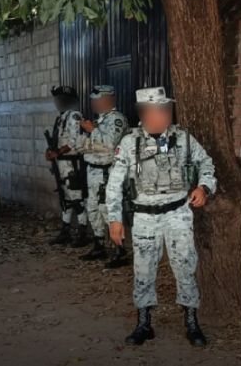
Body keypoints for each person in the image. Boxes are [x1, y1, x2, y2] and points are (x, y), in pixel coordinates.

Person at [106, 87, 215, 346]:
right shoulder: (129, 143)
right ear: (143, 113)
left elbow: (206, 163)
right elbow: (114, 183)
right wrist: (115, 219)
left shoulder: (184, 139)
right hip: (144, 216)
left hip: (178, 212)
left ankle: (191, 321)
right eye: (157, 110)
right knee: (143, 271)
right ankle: (144, 323)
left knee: (185, 267)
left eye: (165, 109)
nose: (162, 115)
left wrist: (204, 187)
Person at [78, 85, 130, 268]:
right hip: (92, 170)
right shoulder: (99, 121)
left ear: (109, 100)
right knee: (92, 208)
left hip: (106, 172)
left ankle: (120, 250)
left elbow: (109, 144)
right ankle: (99, 244)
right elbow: (85, 146)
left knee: (107, 210)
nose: (94, 104)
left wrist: (92, 130)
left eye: (98, 101)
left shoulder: (116, 119)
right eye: (93, 101)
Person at [45, 85, 89, 247]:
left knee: (76, 198)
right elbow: (58, 140)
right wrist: (50, 151)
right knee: (66, 198)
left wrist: (58, 151)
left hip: (72, 163)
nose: (57, 103)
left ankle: (83, 231)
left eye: (59, 100)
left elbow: (75, 140)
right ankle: (66, 230)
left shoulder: (74, 116)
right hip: (62, 163)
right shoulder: (62, 117)